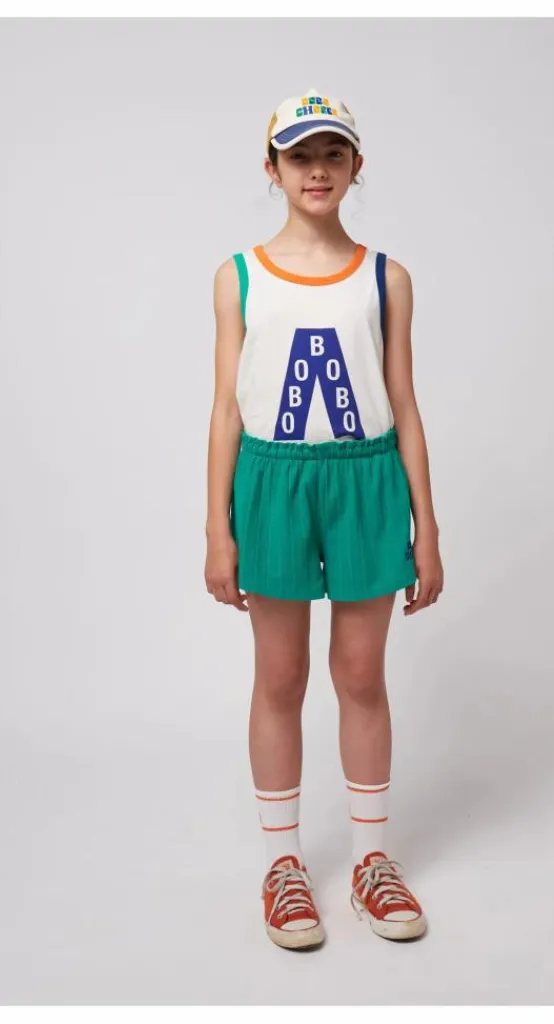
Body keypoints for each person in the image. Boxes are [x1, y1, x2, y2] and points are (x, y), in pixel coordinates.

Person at [204, 89, 444, 950]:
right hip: (273, 482)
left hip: (365, 481)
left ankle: (373, 860)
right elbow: (227, 408)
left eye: (332, 155)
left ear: (355, 166)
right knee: (279, 675)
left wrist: (428, 526)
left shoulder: (387, 278)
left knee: (361, 673)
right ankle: (284, 865)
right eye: (299, 156)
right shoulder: (239, 275)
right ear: (272, 169)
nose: (317, 170)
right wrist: (217, 528)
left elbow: (405, 403)